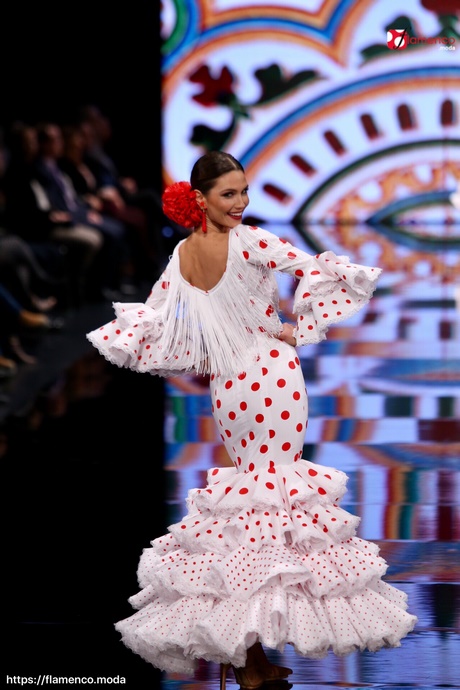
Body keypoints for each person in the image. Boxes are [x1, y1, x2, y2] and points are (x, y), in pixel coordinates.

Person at [87, 151, 417, 689]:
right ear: (200, 199)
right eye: (228, 194)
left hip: (229, 388)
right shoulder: (252, 241)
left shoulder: (181, 255)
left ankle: (248, 656)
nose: (241, 203)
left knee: (249, 509)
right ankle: (248, 655)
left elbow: (155, 318)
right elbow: (317, 269)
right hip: (271, 377)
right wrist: (297, 326)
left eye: (244, 191)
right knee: (276, 509)